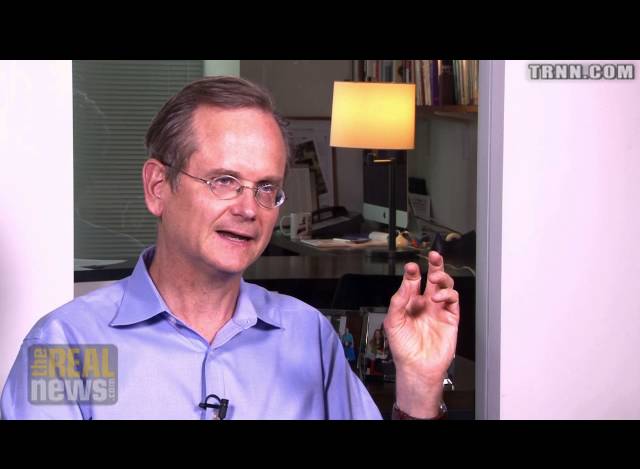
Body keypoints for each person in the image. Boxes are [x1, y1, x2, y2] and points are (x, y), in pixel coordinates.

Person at [1, 76, 460, 420]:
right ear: (158, 186)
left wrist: (418, 389)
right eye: (224, 180)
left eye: (266, 188)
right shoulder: (67, 346)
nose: (248, 209)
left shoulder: (309, 337)